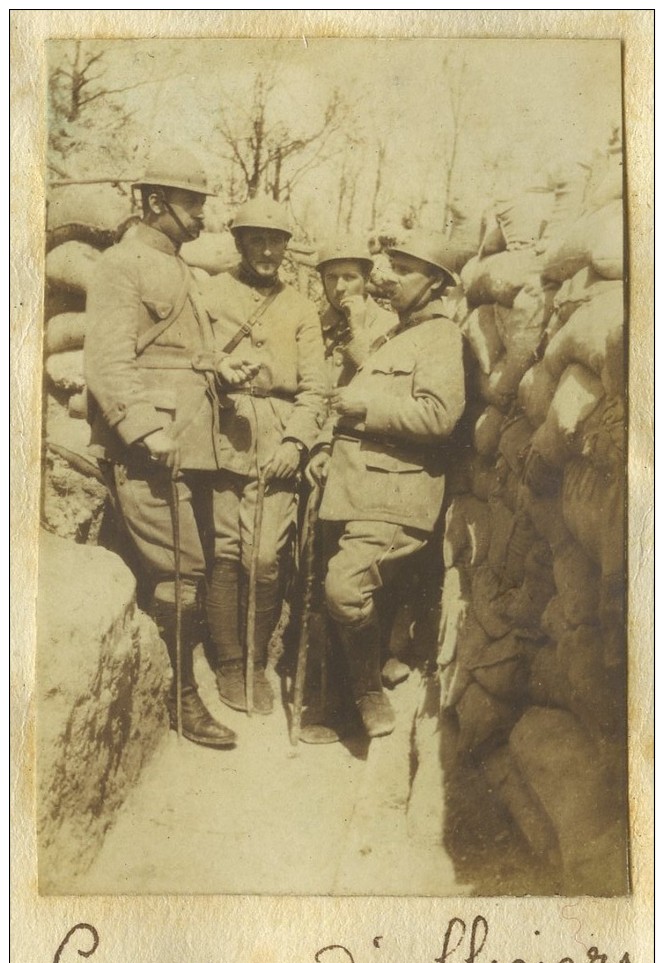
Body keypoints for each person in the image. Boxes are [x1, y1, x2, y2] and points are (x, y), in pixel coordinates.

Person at [84, 147, 253, 750]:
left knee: (197, 570)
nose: (203, 217)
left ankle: (173, 685)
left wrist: (220, 365)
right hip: (150, 451)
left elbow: (179, 352)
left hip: (191, 447)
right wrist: (142, 430)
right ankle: (180, 702)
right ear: (155, 203)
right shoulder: (120, 266)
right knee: (183, 575)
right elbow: (106, 362)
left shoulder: (178, 267)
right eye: (192, 204)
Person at [307, 231, 466, 739]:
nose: (387, 277)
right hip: (350, 488)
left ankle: (368, 694)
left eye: (404, 269)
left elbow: (439, 416)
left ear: (436, 283)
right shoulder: (393, 334)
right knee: (336, 594)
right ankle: (340, 703)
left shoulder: (441, 337)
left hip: (395, 493)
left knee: (345, 589)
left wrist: (365, 408)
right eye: (389, 266)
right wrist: (325, 447)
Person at [201, 195, 326, 715]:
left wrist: (296, 443)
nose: (268, 250)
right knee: (225, 550)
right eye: (258, 239)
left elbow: (316, 389)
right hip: (221, 433)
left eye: (277, 240)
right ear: (239, 242)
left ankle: (257, 659)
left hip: (276, 442)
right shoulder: (210, 293)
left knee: (267, 558)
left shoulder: (300, 308)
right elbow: (193, 356)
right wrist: (217, 366)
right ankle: (231, 662)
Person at [316, 241, 396, 390]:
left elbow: (386, 389)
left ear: (366, 280)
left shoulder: (391, 326)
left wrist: (358, 332)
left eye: (349, 277)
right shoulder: (314, 325)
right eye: (331, 277)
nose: (339, 287)